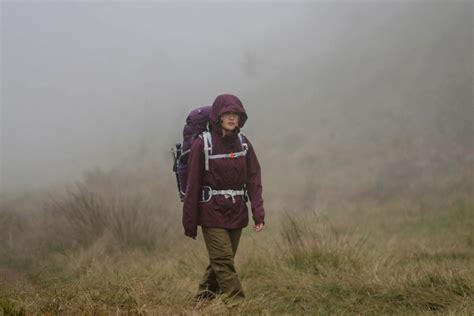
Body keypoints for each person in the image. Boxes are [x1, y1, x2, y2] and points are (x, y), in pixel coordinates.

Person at [182, 94, 265, 305]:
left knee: (220, 263)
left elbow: (254, 178)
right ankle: (239, 306)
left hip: (236, 211)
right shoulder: (203, 144)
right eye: (227, 114)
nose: (231, 118)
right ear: (218, 116)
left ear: (240, 117)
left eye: (235, 114)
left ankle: (199, 305)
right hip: (211, 212)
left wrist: (258, 213)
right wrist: (190, 222)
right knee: (223, 261)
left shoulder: (243, 143)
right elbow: (192, 185)